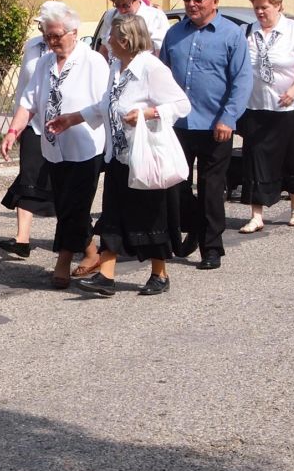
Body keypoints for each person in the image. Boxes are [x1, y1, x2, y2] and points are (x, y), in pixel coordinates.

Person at [46, 15, 189, 296]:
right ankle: (106, 276)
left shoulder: (150, 67)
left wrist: (148, 113)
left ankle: (160, 274)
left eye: (111, 36)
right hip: (117, 157)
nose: (107, 40)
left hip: (144, 157)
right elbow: (105, 105)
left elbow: (182, 104)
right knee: (113, 216)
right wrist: (72, 118)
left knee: (150, 216)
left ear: (125, 40)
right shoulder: (116, 67)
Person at [0, 4, 109, 287]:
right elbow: (28, 101)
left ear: (74, 33)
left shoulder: (93, 61)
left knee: (75, 205)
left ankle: (62, 262)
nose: (51, 41)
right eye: (47, 36)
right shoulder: (45, 63)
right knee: (65, 204)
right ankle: (91, 252)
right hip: (53, 146)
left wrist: (73, 119)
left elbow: (104, 104)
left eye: (57, 36)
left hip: (85, 146)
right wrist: (13, 131)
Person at [159, 0, 252, 270]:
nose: (191, 4)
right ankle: (194, 227)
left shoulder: (231, 35)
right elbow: (161, 75)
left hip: (215, 125)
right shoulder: (174, 34)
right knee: (175, 184)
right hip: (178, 124)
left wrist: (229, 118)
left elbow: (242, 80)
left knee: (211, 188)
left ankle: (211, 247)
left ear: (214, 2)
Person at [237, 0, 294, 231]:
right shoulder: (247, 31)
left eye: (265, 7)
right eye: (256, 8)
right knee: (255, 159)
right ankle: (256, 215)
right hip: (256, 106)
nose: (260, 12)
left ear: (278, 5)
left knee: (291, 157)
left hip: (288, 107)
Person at [0, 2, 62, 257]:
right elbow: (24, 88)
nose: (43, 30)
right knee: (28, 177)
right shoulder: (33, 46)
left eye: (47, 25)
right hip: (33, 124)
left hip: (63, 126)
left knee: (61, 182)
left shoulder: (78, 53)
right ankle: (22, 239)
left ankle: (70, 237)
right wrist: (16, 125)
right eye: (41, 25)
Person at [95, 0, 169, 59]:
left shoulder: (156, 17)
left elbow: (161, 55)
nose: (121, 10)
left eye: (126, 5)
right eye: (117, 5)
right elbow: (104, 49)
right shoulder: (110, 15)